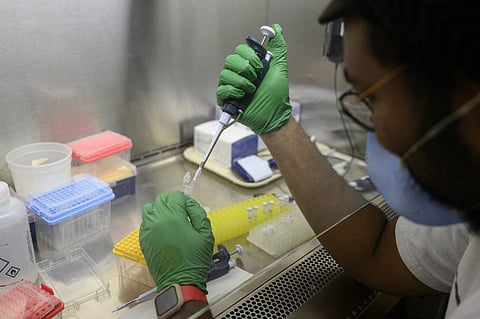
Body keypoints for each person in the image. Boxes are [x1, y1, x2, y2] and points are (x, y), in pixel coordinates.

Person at [139, 0, 480, 318]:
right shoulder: (468, 224)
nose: (378, 130)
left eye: (373, 98)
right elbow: (377, 251)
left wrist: (181, 295)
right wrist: (278, 125)